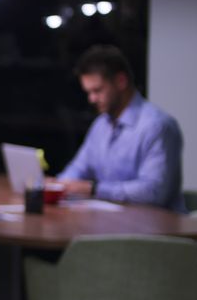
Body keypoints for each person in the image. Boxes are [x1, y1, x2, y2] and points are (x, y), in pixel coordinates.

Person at [55, 45, 186, 212]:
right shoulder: (101, 125)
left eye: (97, 90)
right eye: (88, 92)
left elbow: (154, 192)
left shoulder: (157, 126)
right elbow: (79, 168)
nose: (92, 99)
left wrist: (93, 189)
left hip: (156, 230)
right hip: (114, 223)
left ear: (121, 81)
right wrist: (58, 185)